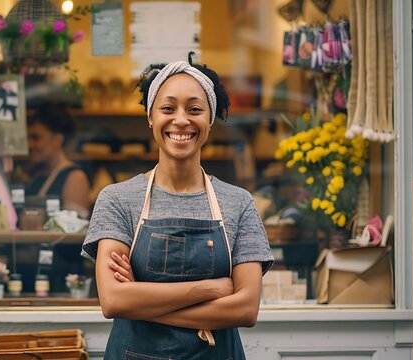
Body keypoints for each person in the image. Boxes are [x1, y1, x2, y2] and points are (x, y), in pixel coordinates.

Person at [81, 52, 274, 359]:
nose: (181, 119)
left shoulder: (238, 204)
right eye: (168, 108)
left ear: (209, 120)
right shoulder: (118, 199)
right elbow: (115, 302)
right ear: (150, 117)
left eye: (194, 109)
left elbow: (246, 309)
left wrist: (143, 303)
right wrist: (211, 289)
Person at [24, 105, 91, 217]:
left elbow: (76, 230)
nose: (30, 145)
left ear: (57, 139)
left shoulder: (75, 178)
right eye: (28, 138)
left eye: (36, 138)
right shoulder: (37, 177)